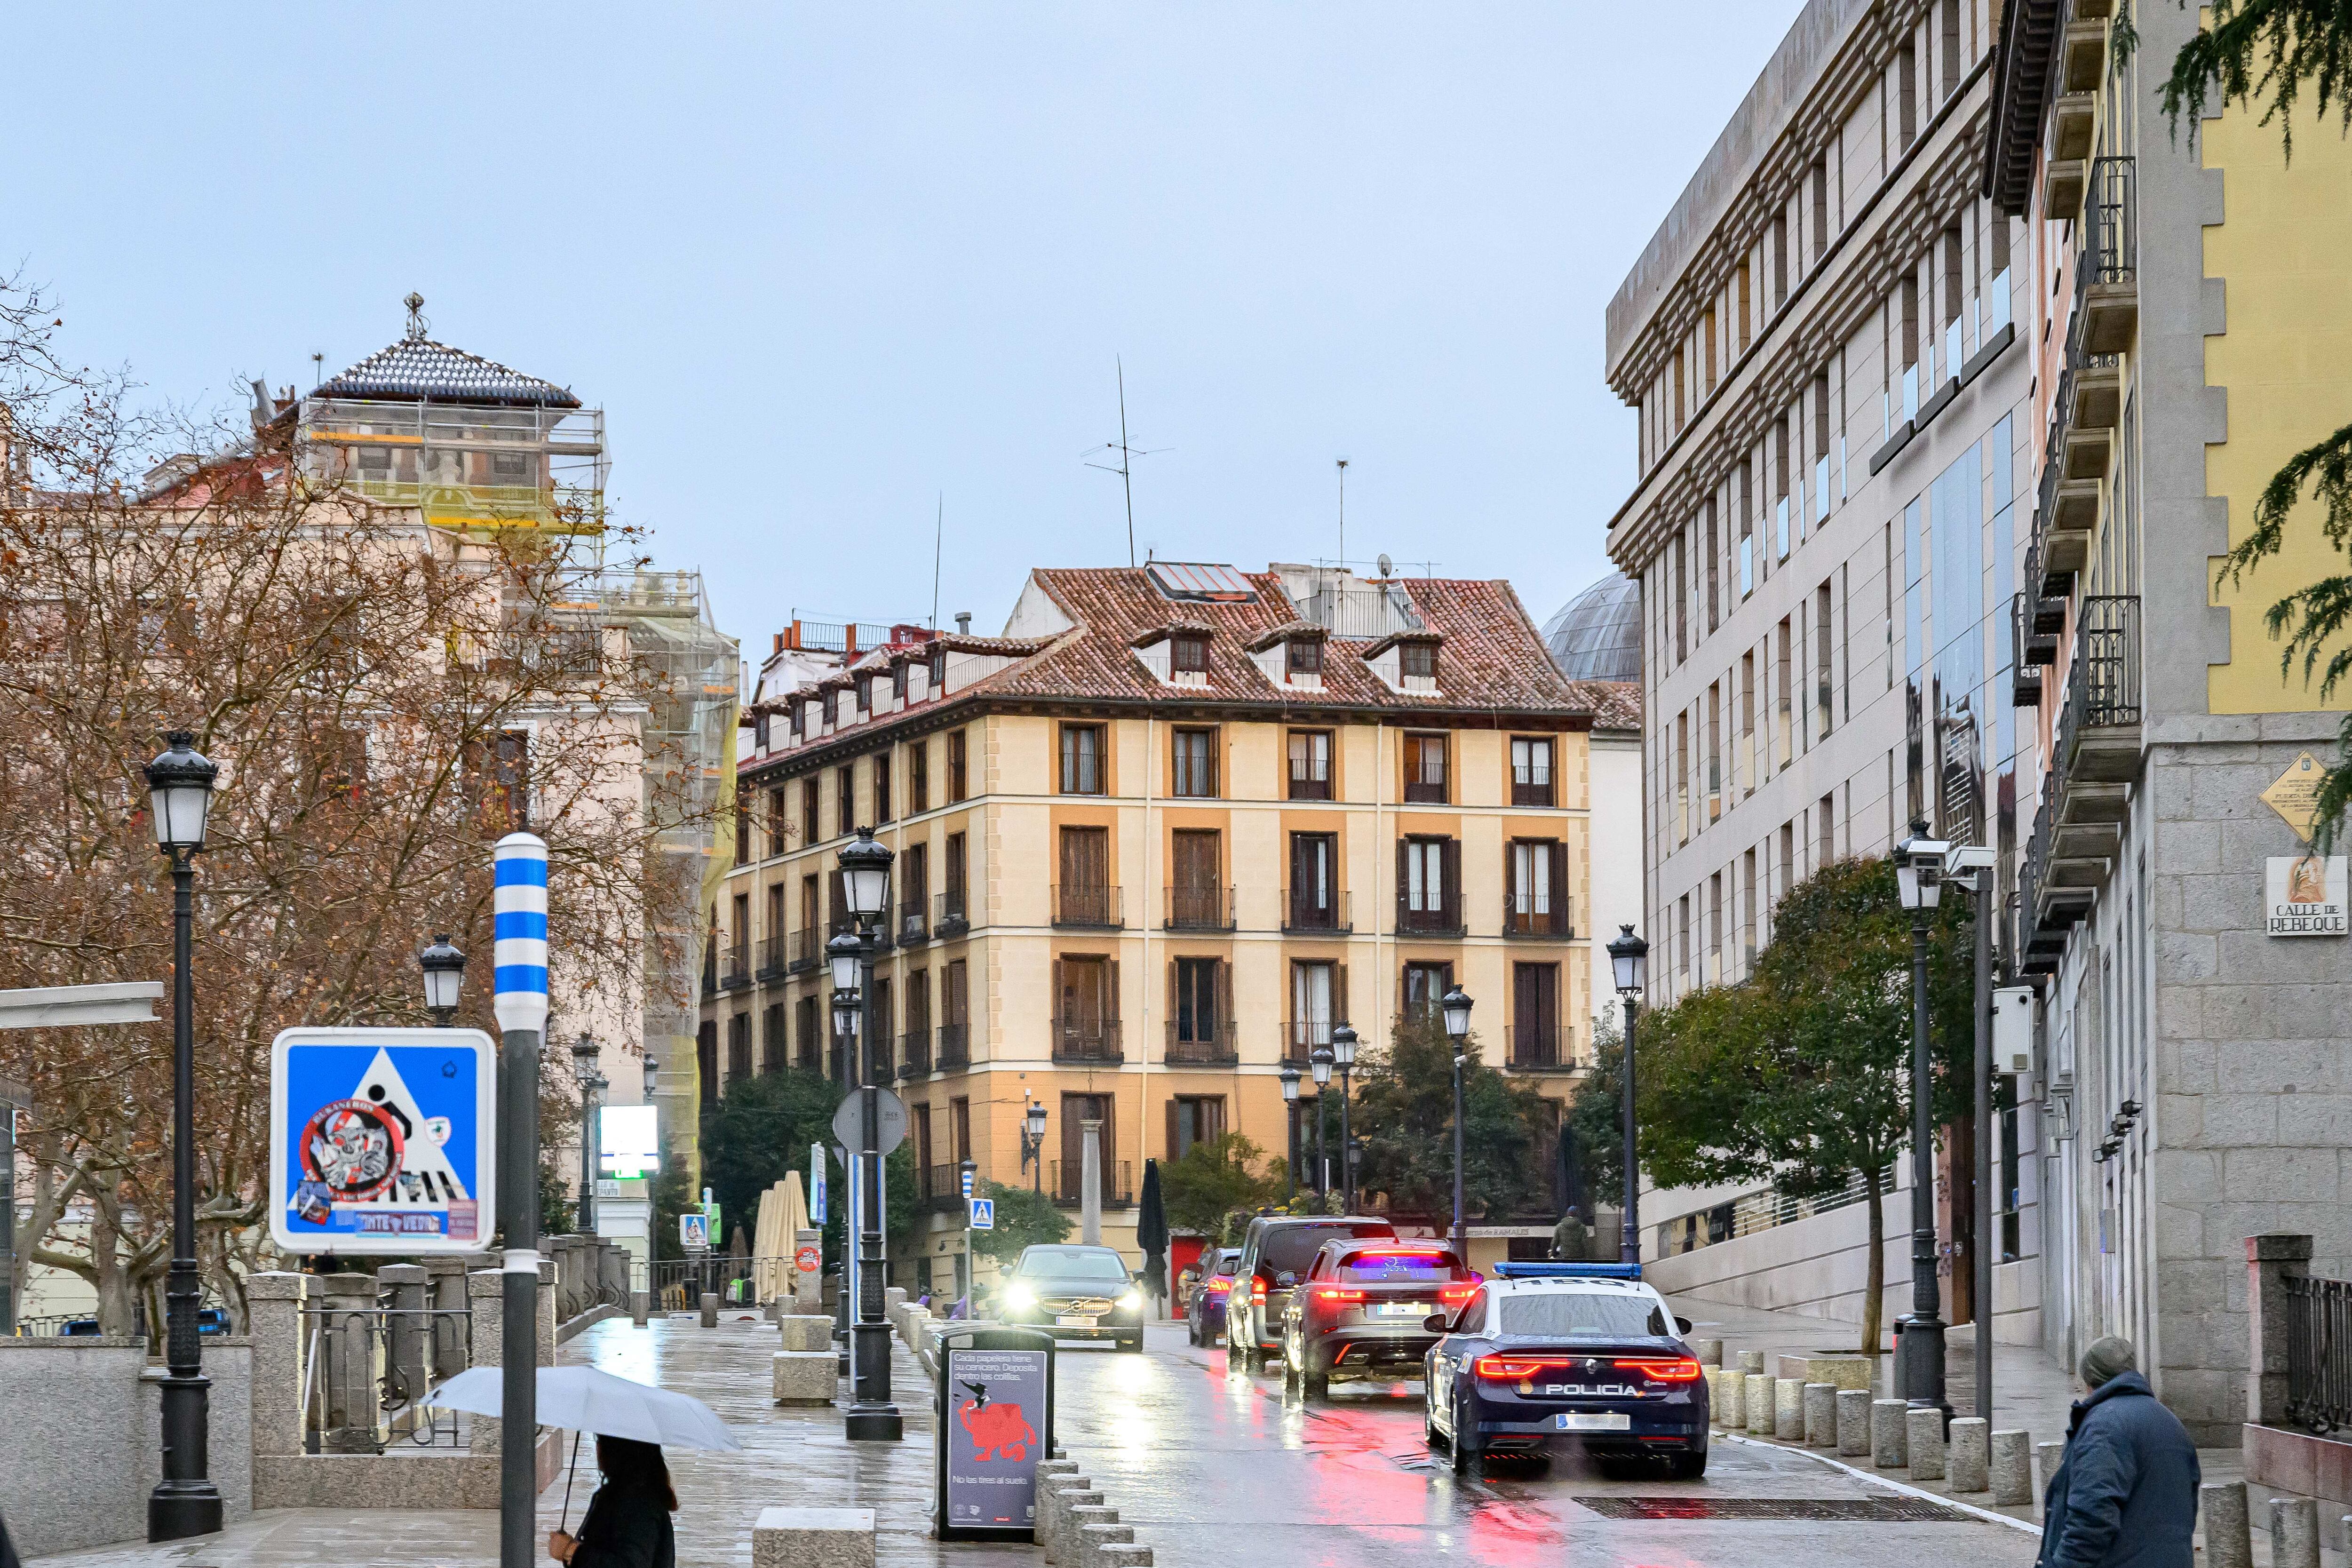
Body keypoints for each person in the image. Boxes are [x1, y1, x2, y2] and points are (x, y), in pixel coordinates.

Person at [2036, 1336, 2199, 1568]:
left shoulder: (2105, 1425)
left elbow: (2091, 1519)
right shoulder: (2169, 1421)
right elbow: (2187, 1508)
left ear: (2089, 1380)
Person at [548, 1435, 677, 1568]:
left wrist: (572, 1550)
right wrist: (569, 1552)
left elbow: (630, 1563)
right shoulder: (616, 1495)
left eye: (599, 1442)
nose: (597, 1448)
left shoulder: (639, 1504)